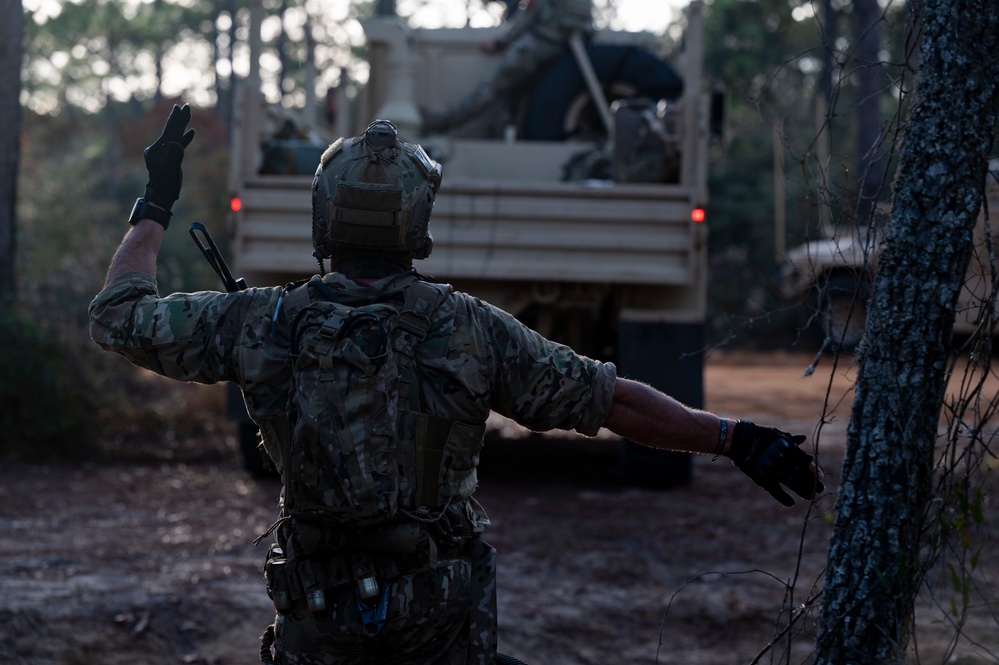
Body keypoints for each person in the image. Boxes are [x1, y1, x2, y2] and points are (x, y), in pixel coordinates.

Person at [90, 105, 824, 665]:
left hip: (318, 616)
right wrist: (732, 437)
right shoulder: (470, 329)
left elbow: (118, 316)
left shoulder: (259, 321)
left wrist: (155, 203)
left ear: (323, 217)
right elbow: (612, 401)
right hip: (440, 623)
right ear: (417, 222)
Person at [421, 0, 594, 135]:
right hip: (570, 44)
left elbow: (530, 14)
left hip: (545, 40)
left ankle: (443, 122)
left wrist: (499, 42)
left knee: (492, 87)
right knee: (509, 94)